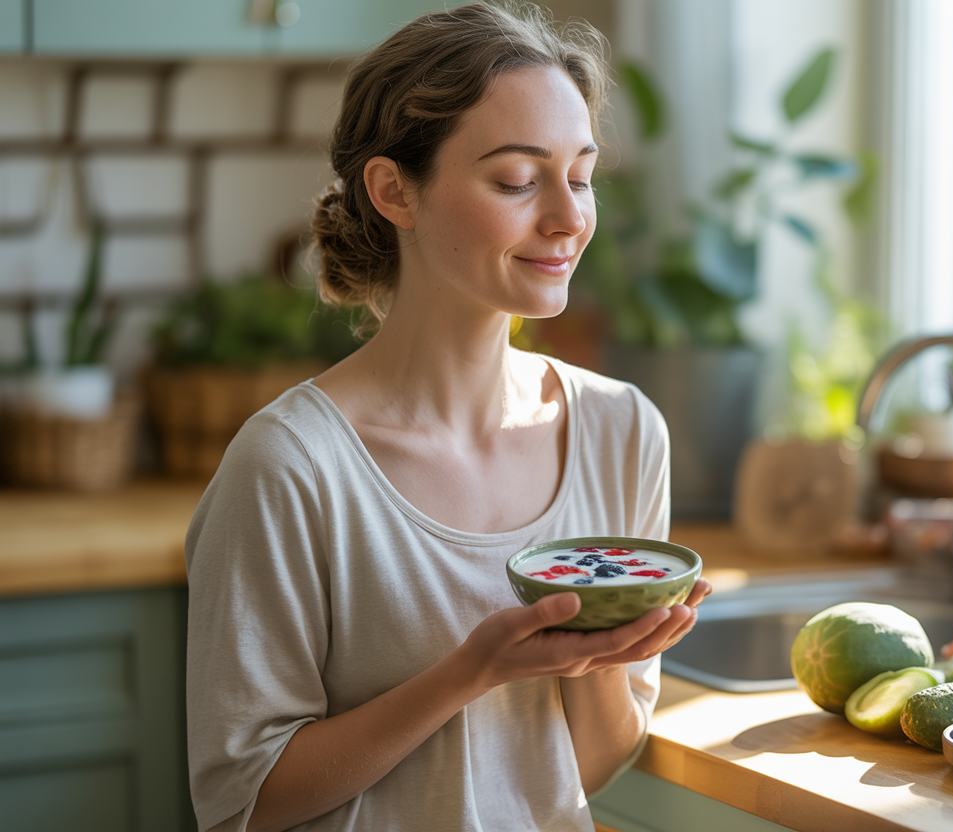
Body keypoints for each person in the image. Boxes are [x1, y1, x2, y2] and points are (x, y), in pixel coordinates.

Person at [183, 3, 711, 831]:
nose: (569, 218)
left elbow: (587, 768)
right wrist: (472, 671)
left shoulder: (622, 432)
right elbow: (242, 803)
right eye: (517, 179)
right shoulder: (292, 467)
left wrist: (601, 655)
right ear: (395, 191)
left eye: (580, 177)